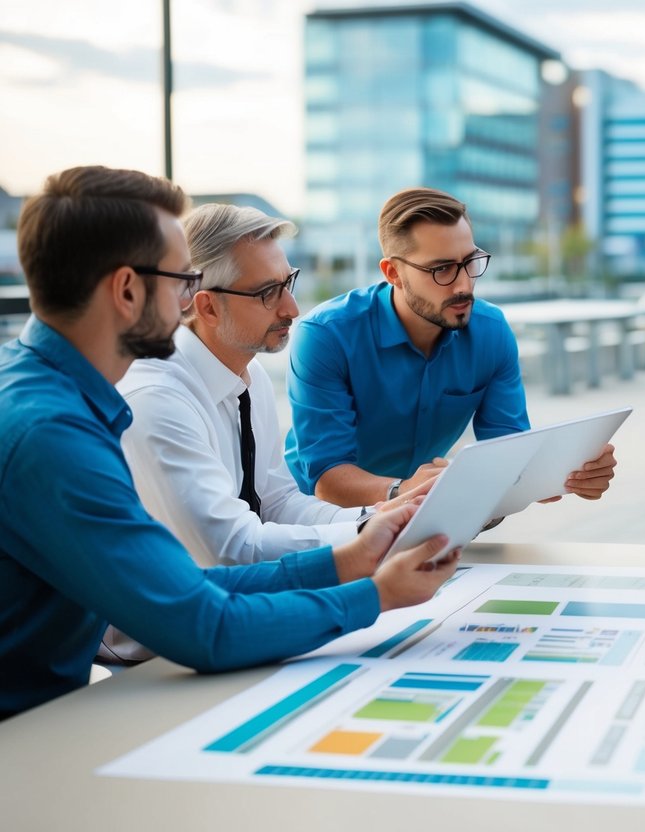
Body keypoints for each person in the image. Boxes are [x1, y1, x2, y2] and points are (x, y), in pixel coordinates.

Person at [0, 166, 457, 720]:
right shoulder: (53, 435)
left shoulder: (52, 398)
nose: (187, 301)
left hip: (57, 717)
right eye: (181, 281)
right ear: (127, 290)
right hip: (30, 736)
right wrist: (376, 595)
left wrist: (356, 552)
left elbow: (189, 583)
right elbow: (201, 623)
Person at [285, 187, 616, 509]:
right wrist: (404, 489)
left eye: (470, 262)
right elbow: (326, 479)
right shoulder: (326, 336)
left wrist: (562, 474)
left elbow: (507, 451)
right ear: (393, 273)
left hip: (418, 509)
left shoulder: (490, 331)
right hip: (312, 516)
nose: (463, 285)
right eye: (441, 269)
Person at [119, 204, 379, 569]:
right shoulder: (157, 399)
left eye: (287, 283)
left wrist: (377, 517)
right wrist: (366, 533)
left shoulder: (249, 375)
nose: (292, 308)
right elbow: (229, 548)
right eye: (268, 292)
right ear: (207, 307)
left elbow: (276, 503)